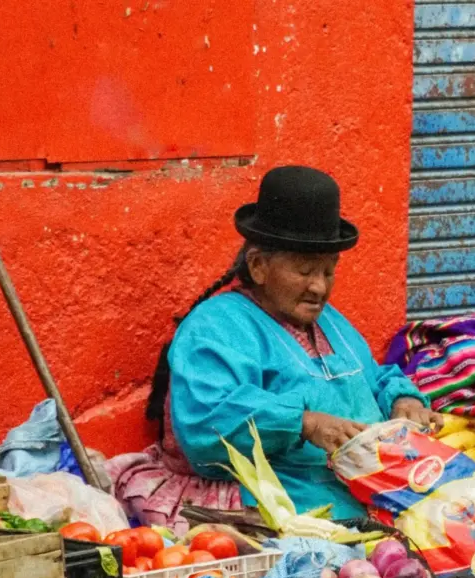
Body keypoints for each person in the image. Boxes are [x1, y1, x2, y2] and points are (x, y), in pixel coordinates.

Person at [108, 166, 440, 533]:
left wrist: (402, 400)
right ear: (259, 266)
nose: (319, 287)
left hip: (357, 489)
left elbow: (371, 378)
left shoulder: (330, 322)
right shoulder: (214, 327)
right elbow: (205, 426)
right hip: (271, 499)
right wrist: (302, 423)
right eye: (304, 271)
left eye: (329, 272)